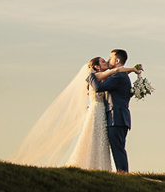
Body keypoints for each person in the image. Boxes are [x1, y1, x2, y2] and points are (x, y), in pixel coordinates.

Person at [12, 55, 140, 170]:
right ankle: (102, 167)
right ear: (96, 66)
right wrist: (132, 69)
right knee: (97, 140)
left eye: (108, 58)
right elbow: (113, 73)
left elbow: (112, 78)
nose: (106, 61)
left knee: (103, 142)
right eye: (103, 61)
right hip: (99, 112)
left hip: (104, 112)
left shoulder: (104, 77)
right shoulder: (95, 77)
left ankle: (110, 169)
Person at [89, 49, 136, 173]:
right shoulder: (120, 75)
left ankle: (123, 173)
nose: (108, 60)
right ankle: (122, 172)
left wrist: (90, 76)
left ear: (117, 60)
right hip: (120, 117)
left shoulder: (118, 76)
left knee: (118, 148)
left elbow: (99, 88)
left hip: (117, 117)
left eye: (110, 58)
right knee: (118, 147)